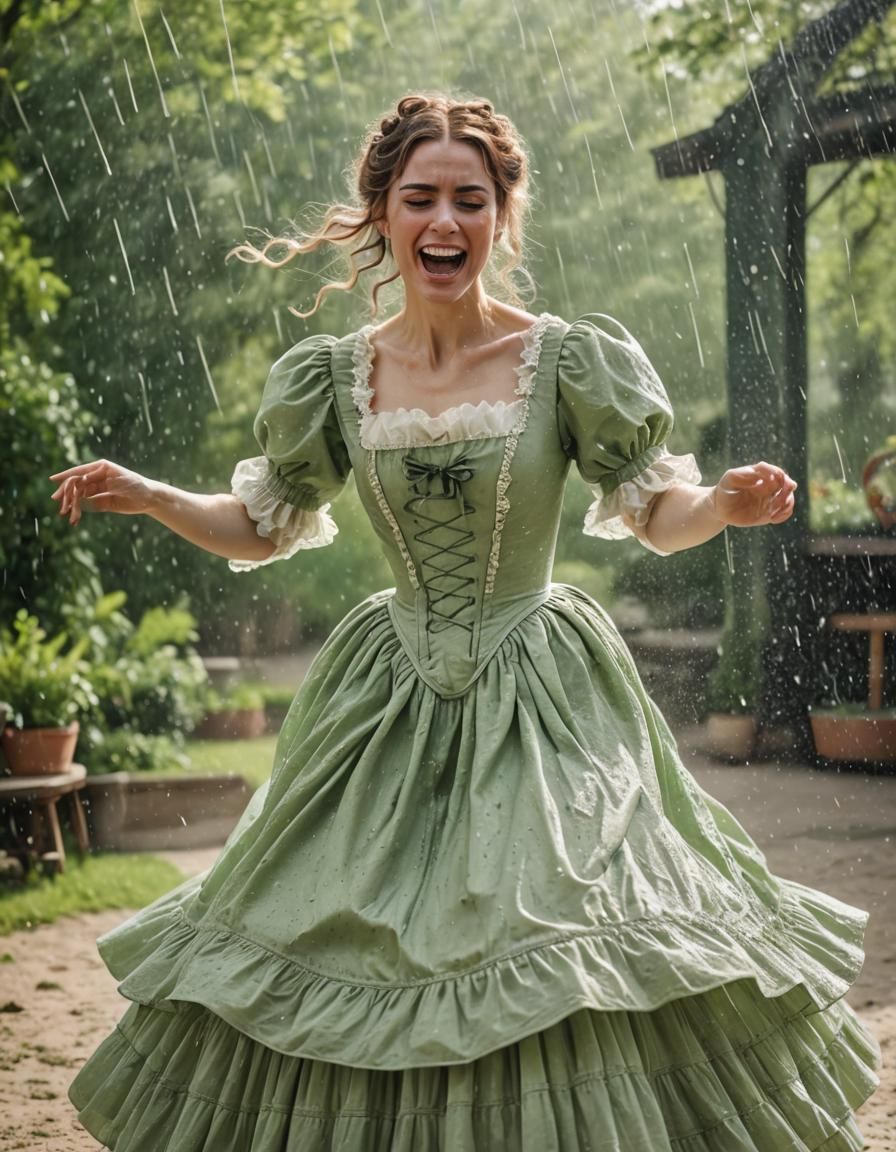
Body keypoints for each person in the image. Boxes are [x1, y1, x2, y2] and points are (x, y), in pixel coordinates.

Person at [54, 93, 878, 1151]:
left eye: (469, 200)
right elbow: (262, 525)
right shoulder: (334, 377)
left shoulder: (566, 360)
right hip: (383, 694)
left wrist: (717, 504)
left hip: (539, 691)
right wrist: (157, 495)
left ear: (502, 214)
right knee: (344, 934)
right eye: (420, 198)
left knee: (547, 925)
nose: (445, 222)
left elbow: (652, 512)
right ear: (383, 213)